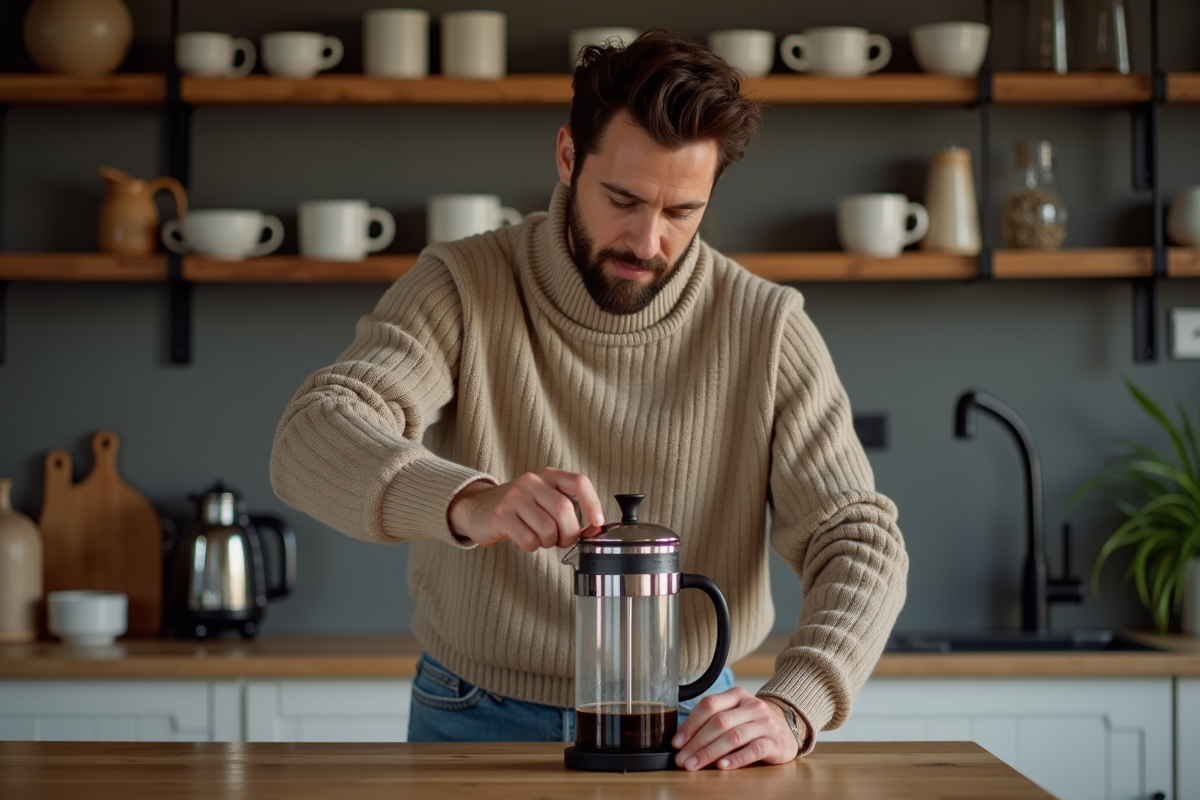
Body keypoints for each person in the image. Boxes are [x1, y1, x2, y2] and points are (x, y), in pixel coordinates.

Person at [270, 28, 907, 771]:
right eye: (623, 199)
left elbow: (859, 540)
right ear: (569, 157)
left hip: (689, 725)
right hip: (474, 712)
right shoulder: (461, 286)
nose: (646, 241)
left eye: (681, 211)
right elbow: (312, 435)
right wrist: (469, 500)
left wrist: (796, 705)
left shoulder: (767, 328)